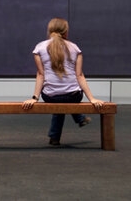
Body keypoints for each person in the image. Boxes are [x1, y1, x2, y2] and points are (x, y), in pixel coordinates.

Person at [20, 17, 106, 145]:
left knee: (59, 103)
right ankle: (79, 118)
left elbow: (40, 75)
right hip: (73, 96)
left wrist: (34, 97)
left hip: (50, 96)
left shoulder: (40, 48)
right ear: (66, 32)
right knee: (65, 100)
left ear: (49, 31)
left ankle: (55, 137)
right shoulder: (75, 48)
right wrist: (92, 99)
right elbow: (80, 76)